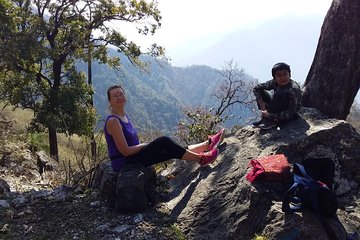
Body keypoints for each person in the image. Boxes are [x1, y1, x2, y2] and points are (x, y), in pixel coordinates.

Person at [104, 85, 225, 171]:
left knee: (171, 149)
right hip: (125, 163)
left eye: (121, 94)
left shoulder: (124, 116)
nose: (119, 97)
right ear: (110, 101)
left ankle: (206, 144)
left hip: (134, 157)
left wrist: (144, 146)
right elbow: (125, 151)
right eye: (115, 96)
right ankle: (201, 159)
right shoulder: (113, 121)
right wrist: (144, 145)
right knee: (164, 141)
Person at [252, 62, 302, 129]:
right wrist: (261, 102)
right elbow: (256, 88)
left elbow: (290, 113)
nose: (282, 78)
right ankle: (265, 119)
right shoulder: (274, 82)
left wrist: (270, 115)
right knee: (261, 91)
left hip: (290, 114)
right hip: (277, 108)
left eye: (285, 74)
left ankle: (271, 121)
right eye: (279, 75)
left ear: (290, 75)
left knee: (279, 93)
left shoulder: (293, 89)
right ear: (274, 78)